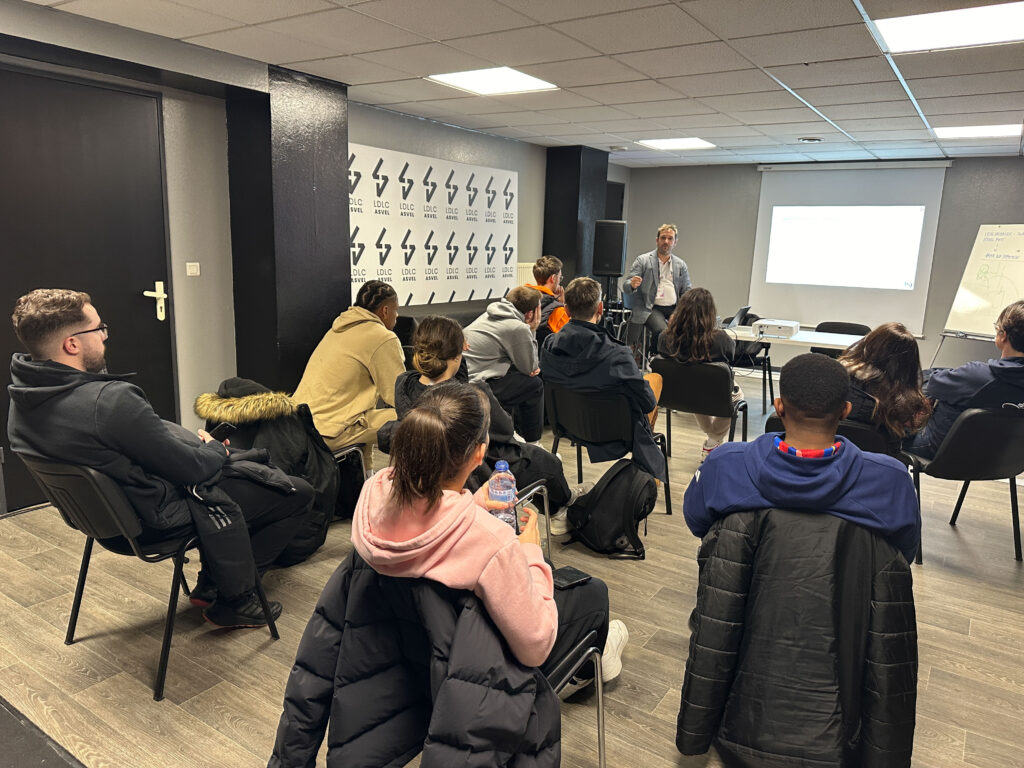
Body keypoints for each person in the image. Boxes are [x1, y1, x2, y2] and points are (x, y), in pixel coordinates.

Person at [7, 289, 314, 627]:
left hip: (104, 523)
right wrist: (215, 447)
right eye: (98, 329)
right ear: (72, 344)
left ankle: (213, 584)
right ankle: (234, 598)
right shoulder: (109, 402)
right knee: (297, 493)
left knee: (239, 476)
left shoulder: (24, 401)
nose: (105, 336)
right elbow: (193, 470)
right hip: (153, 521)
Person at [352, 382, 628, 695]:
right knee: (594, 593)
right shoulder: (491, 540)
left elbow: (429, 531)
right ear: (479, 453)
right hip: (476, 677)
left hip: (398, 662)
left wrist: (471, 504)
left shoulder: (373, 495)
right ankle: (592, 666)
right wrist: (531, 553)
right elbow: (536, 645)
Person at [684, 353, 920, 563]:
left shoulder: (723, 464)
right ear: (845, 411)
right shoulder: (893, 480)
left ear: (779, 407)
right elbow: (902, 555)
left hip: (743, 594)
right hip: (849, 598)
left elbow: (698, 523)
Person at [376, 315, 587, 534]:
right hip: (480, 471)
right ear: (457, 354)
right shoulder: (473, 395)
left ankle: (561, 509)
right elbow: (504, 431)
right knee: (547, 463)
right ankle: (561, 510)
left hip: (428, 475)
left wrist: (457, 357)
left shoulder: (404, 385)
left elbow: (449, 380)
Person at [541, 276, 667, 482]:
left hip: (568, 425)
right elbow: (648, 403)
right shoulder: (618, 355)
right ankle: (646, 472)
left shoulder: (548, 346)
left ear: (566, 310)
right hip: (616, 434)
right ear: (600, 308)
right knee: (654, 379)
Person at [293, 280, 404, 472]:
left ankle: (367, 478)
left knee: (364, 416)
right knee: (419, 419)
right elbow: (399, 397)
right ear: (385, 311)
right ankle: (415, 483)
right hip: (330, 431)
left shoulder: (338, 328)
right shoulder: (382, 337)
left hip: (301, 425)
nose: (398, 315)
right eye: (396, 310)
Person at [907, 300, 1024, 459]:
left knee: (885, 431)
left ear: (1003, 335)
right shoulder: (978, 376)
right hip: (996, 458)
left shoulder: (979, 376)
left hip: (940, 451)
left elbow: (933, 385)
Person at [658, 287, 743, 461]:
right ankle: (713, 441)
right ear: (710, 313)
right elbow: (731, 355)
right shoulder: (721, 340)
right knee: (736, 396)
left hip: (679, 396)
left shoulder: (664, 338)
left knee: (697, 388)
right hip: (711, 395)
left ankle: (713, 440)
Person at [463, 286, 544, 443]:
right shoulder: (517, 327)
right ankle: (533, 442)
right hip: (478, 385)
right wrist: (532, 329)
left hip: (465, 378)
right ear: (531, 314)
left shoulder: (490, 314)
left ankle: (512, 431)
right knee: (534, 385)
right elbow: (531, 367)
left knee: (515, 377)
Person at [837, 321, 931, 454]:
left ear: (867, 346)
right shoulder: (904, 404)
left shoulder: (835, 381)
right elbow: (904, 437)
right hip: (880, 462)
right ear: (909, 364)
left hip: (833, 457)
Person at [623, 223, 691, 359]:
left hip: (674, 308)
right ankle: (654, 356)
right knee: (663, 331)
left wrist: (679, 312)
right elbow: (626, 285)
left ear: (675, 242)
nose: (666, 241)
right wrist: (632, 284)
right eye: (663, 238)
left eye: (670, 238)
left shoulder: (680, 265)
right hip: (650, 308)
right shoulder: (643, 260)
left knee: (691, 327)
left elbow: (687, 290)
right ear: (657, 240)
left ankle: (682, 360)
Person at [525, 255, 569, 345]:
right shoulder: (557, 310)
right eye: (560, 278)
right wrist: (561, 305)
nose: (559, 281)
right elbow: (566, 340)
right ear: (553, 278)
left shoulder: (521, 297)